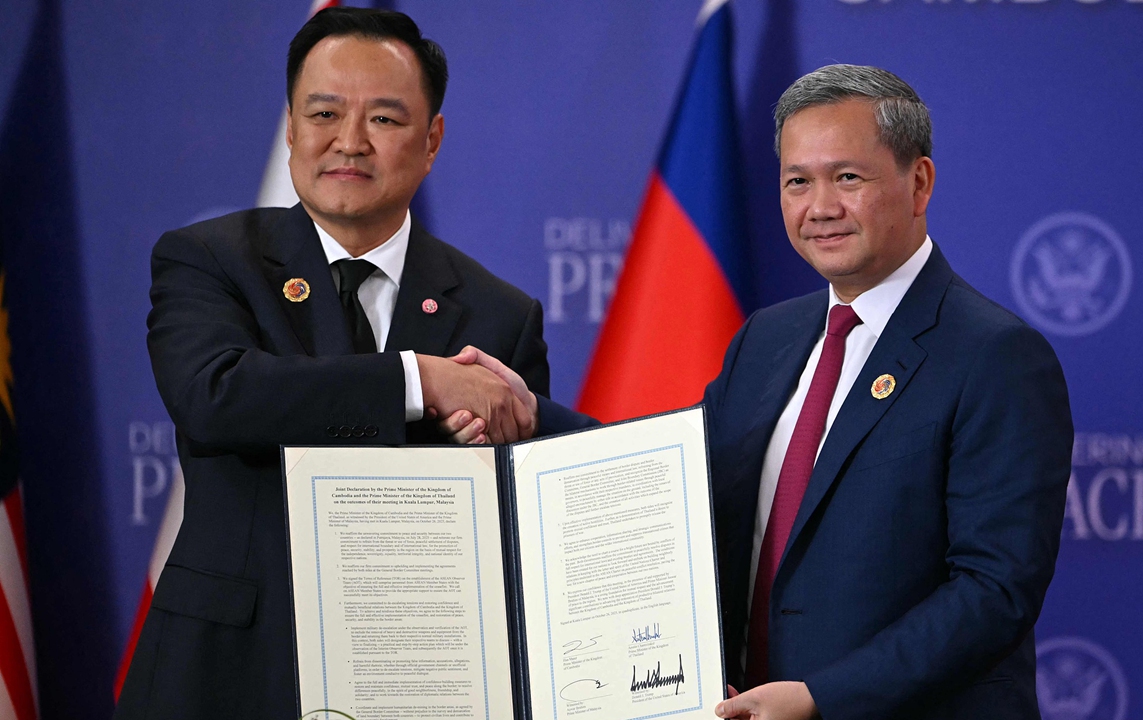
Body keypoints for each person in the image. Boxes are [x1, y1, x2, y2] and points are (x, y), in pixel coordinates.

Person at [447, 65, 1073, 719]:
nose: (819, 206)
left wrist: (820, 698)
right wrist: (530, 415)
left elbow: (993, 590)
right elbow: (669, 481)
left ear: (919, 183)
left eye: (847, 178)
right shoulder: (769, 338)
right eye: (797, 181)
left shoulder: (995, 355)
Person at [115, 8, 547, 719]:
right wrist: (420, 379)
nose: (348, 142)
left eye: (384, 119)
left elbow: (514, 516)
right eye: (323, 112)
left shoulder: (502, 313)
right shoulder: (209, 259)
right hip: (224, 677)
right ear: (290, 125)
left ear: (432, 139)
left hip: (419, 681)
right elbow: (216, 395)